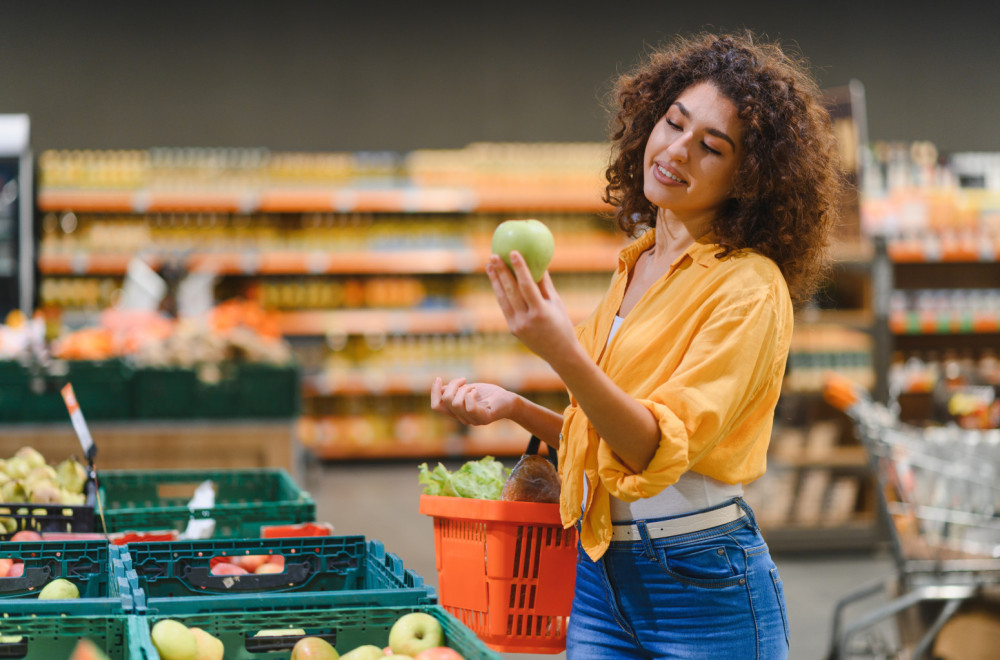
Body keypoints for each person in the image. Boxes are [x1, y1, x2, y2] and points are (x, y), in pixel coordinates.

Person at [430, 31, 842, 658]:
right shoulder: (637, 262)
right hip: (600, 574)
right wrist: (515, 408)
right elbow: (606, 438)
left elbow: (655, 447)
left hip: (703, 582)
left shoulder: (749, 289)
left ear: (749, 178)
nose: (676, 151)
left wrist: (561, 351)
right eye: (673, 123)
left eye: (711, 147)